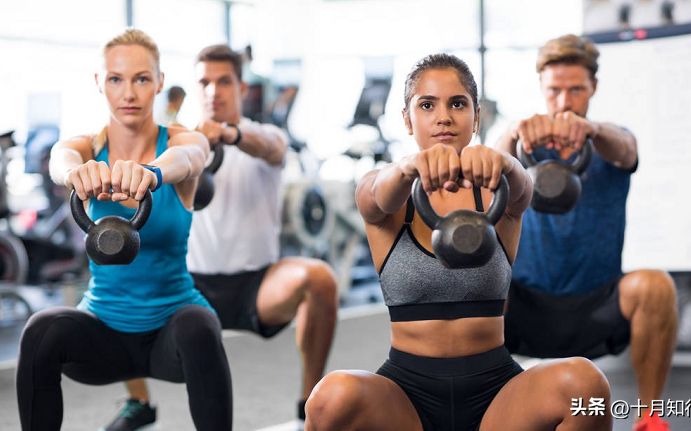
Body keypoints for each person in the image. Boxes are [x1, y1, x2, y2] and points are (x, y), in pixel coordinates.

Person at [305, 53, 612, 431]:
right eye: (427, 104)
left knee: (586, 388)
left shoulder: (498, 192)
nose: (443, 117)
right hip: (406, 397)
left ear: (476, 116)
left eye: (457, 103)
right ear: (407, 118)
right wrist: (408, 168)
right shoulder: (387, 191)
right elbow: (374, 195)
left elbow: (524, 189)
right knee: (329, 398)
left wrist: (505, 163)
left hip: (496, 392)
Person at [109, 44, 338, 431]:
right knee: (114, 277)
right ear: (194, 89)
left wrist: (230, 135)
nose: (214, 91)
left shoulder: (263, 135)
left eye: (224, 81)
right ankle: (139, 404)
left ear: (241, 87)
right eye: (205, 82)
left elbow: (272, 148)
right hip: (190, 288)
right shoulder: (174, 144)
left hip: (257, 285)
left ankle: (309, 405)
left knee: (320, 279)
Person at [15, 28, 232, 431]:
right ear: (100, 83)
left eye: (141, 79)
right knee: (41, 330)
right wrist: (77, 174)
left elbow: (192, 156)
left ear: (159, 83)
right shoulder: (86, 147)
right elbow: (59, 160)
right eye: (116, 79)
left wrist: (152, 173)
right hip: (103, 334)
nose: (128, 93)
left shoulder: (180, 142)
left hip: (174, 335)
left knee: (199, 326)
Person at [494, 34, 677, 431]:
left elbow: (626, 148)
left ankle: (649, 419)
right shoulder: (520, 147)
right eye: (554, 91)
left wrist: (590, 129)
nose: (564, 102)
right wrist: (513, 131)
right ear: (542, 89)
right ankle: (480, 408)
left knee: (656, 286)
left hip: (597, 307)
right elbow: (491, 162)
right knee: (479, 282)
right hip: (525, 308)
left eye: (576, 89)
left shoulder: (609, 141)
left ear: (593, 87)